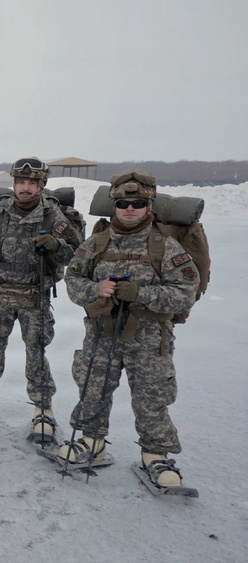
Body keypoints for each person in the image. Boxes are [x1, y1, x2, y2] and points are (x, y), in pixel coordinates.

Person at [58, 170, 198, 489]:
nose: (129, 208)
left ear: (149, 205)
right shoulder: (97, 243)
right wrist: (97, 289)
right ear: (114, 205)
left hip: (148, 339)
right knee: (93, 389)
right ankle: (92, 441)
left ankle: (155, 455)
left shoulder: (166, 247)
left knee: (151, 397)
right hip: (101, 334)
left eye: (137, 202)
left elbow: (185, 290)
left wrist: (142, 293)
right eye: (122, 202)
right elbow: (73, 280)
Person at [0, 157, 81, 439]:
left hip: (34, 297)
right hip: (0, 294)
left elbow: (78, 257)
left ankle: (43, 409)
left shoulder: (54, 217)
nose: (26, 188)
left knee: (36, 354)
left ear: (41, 185)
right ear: (14, 183)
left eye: (32, 183)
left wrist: (57, 246)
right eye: (21, 182)